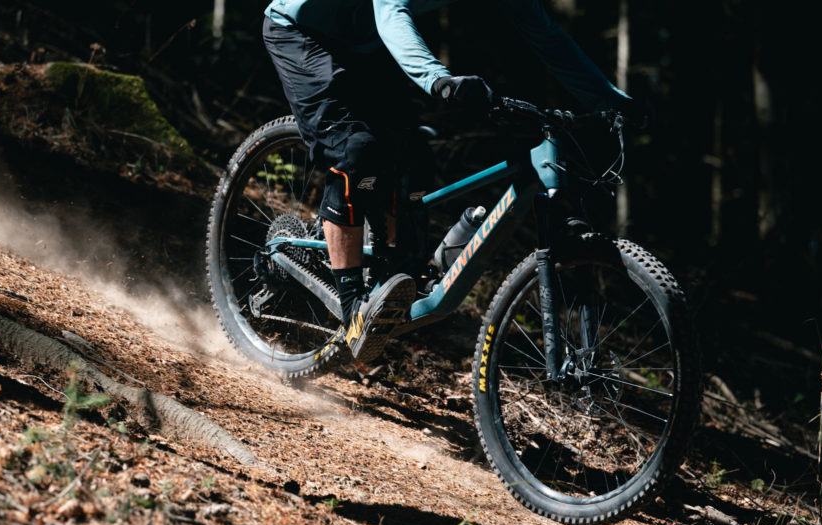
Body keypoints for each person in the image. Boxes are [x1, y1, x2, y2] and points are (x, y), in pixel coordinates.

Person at [263, 0, 637, 363]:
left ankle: (387, 275)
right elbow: (390, 9)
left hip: (368, 42)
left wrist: (613, 101)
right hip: (302, 31)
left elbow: (547, 37)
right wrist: (437, 79)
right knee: (358, 151)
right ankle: (353, 311)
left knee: (414, 157)